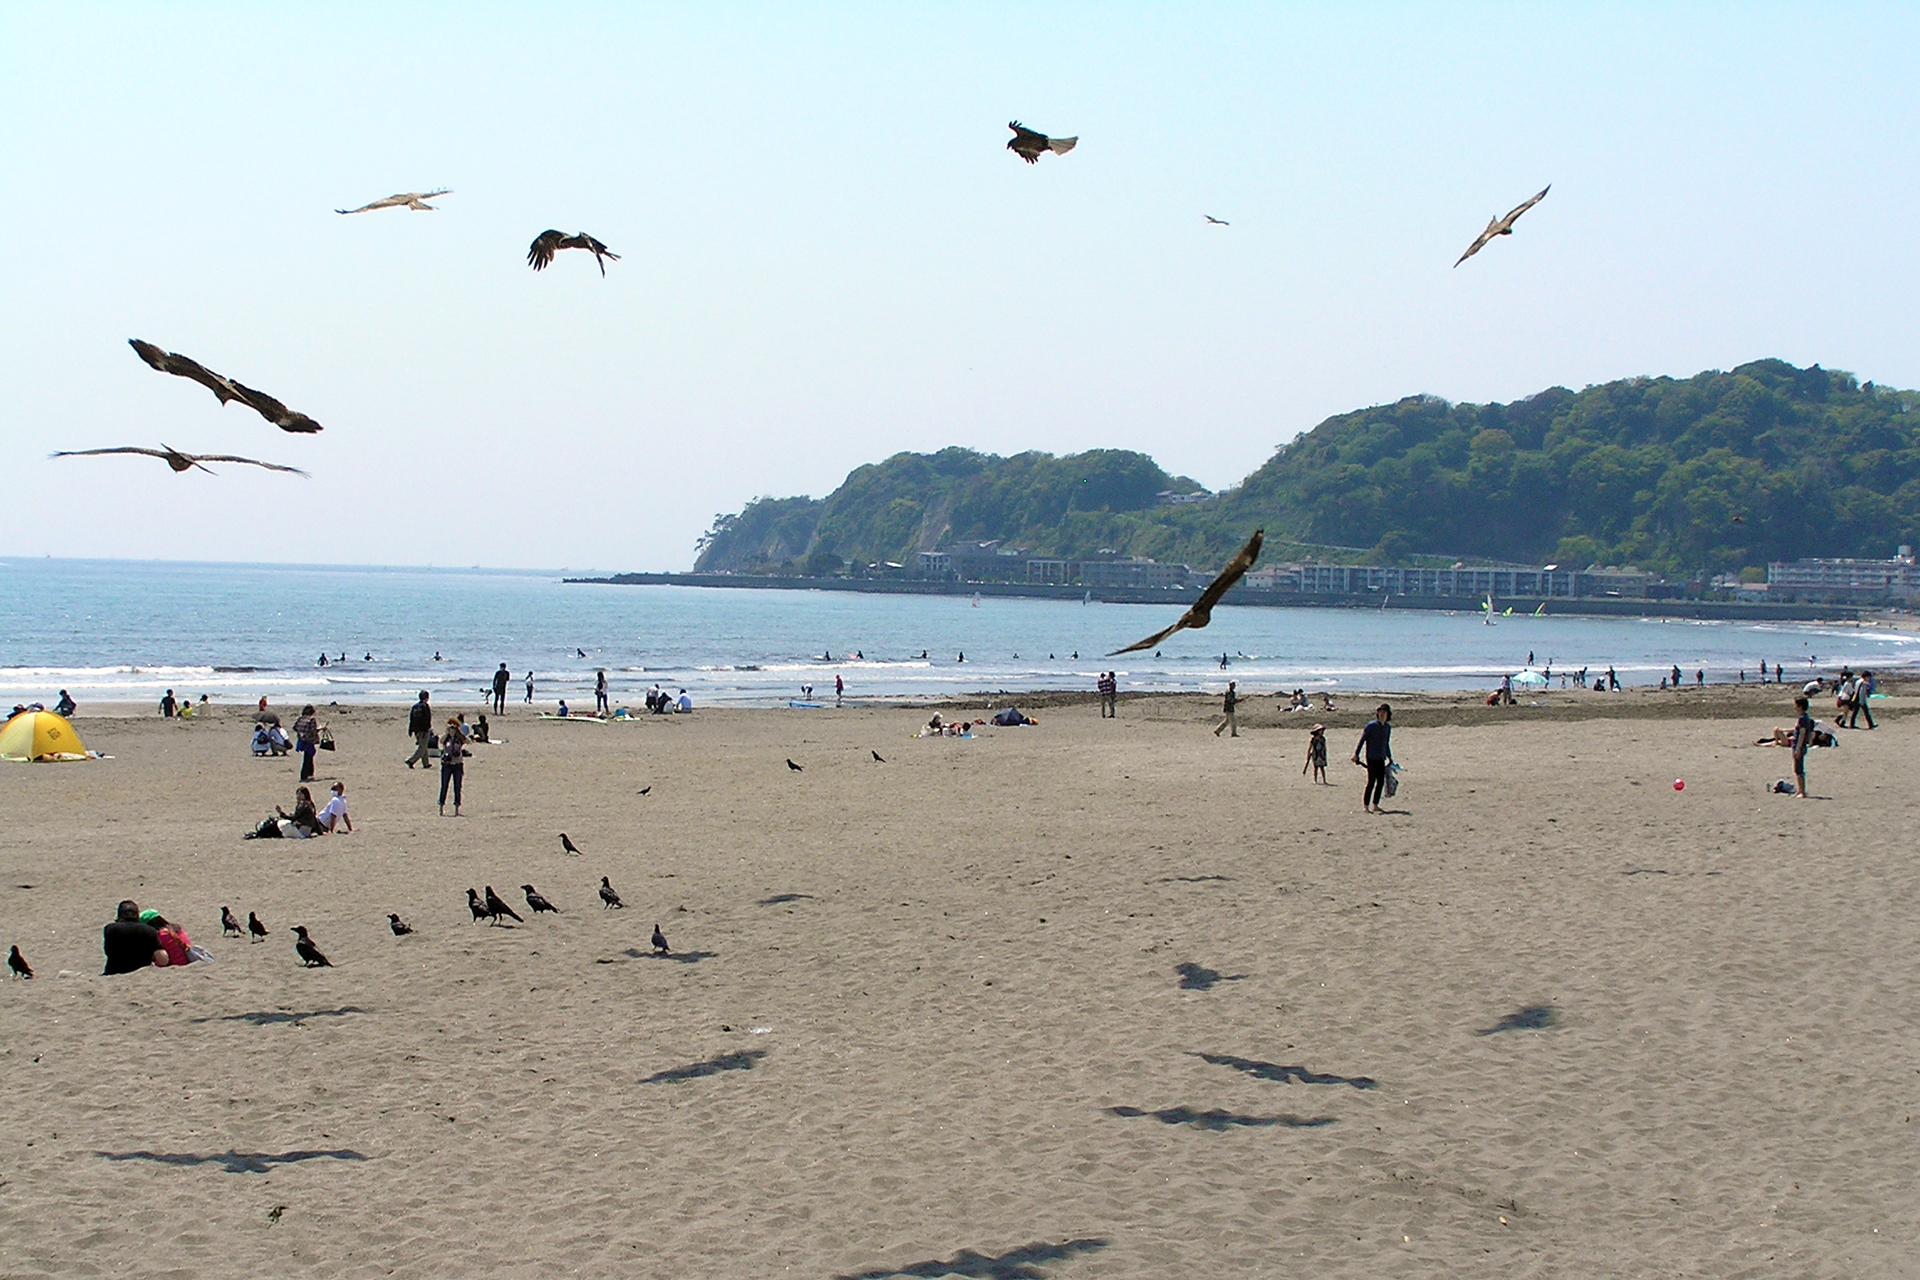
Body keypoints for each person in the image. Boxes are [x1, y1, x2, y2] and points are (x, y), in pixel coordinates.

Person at [103, 900, 167, 975]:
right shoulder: (149, 930)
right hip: (142, 970)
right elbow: (163, 960)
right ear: (137, 915)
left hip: (113, 970)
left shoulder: (110, 929)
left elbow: (107, 951)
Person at [1353, 703, 1393, 813]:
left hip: (1381, 757)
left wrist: (1389, 757)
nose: (1382, 714)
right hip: (1371, 757)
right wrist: (1356, 754)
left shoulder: (1387, 727)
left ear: (1388, 714)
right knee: (1371, 781)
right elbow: (1362, 740)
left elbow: (1386, 743)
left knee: (1381, 781)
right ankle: (1366, 805)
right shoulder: (1371, 726)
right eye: (1380, 711)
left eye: (1384, 712)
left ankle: (1375, 804)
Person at [439, 716, 467, 816]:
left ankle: (457, 808)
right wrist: (447, 733)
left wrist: (458, 733)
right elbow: (441, 741)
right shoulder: (446, 738)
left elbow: (467, 741)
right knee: (444, 786)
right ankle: (441, 807)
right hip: (446, 764)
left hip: (457, 764)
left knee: (457, 787)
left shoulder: (459, 739)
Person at [1789, 695, 1815, 799]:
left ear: (1800, 706)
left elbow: (1803, 733)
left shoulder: (1803, 718)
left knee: (1798, 769)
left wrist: (1799, 748)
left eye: (1796, 705)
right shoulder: (1805, 718)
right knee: (1797, 768)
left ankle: (1802, 791)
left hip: (1799, 746)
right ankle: (1800, 790)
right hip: (1799, 745)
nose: (1794, 707)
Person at [405, 690, 433, 769]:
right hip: (424, 730)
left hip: (416, 730)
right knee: (422, 747)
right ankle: (411, 761)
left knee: (423, 746)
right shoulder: (425, 706)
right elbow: (428, 718)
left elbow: (411, 719)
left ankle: (426, 763)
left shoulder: (415, 706)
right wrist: (428, 728)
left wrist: (410, 730)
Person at [293, 704, 320, 783]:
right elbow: (313, 730)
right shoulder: (311, 719)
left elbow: (295, 727)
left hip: (302, 739)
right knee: (308, 758)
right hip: (309, 740)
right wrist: (320, 729)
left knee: (309, 757)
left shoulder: (300, 718)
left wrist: (300, 732)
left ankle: (309, 773)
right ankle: (304, 775)